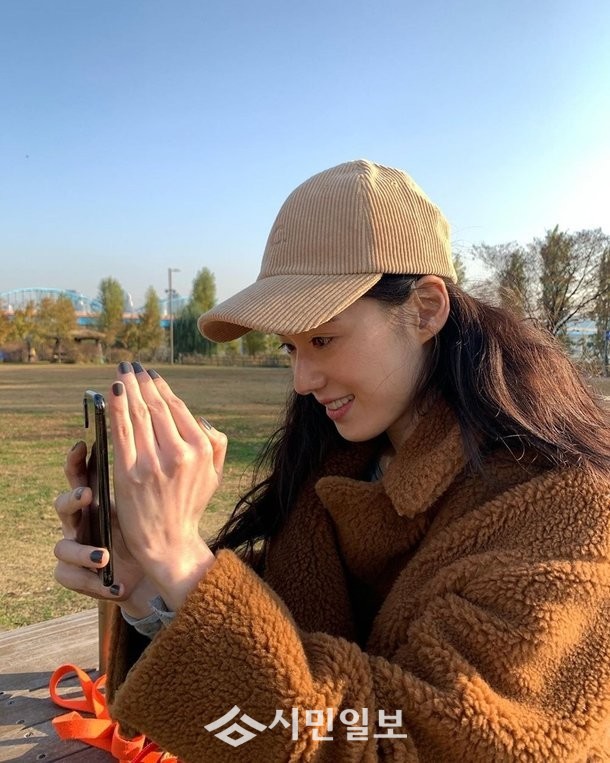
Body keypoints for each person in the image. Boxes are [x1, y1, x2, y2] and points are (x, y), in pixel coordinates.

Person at [54, 160, 610, 761]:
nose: (302, 379)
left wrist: (182, 559)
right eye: (290, 347)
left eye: (322, 339)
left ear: (425, 310)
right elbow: (262, 699)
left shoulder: (571, 512)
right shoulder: (334, 475)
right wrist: (148, 588)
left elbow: (421, 746)